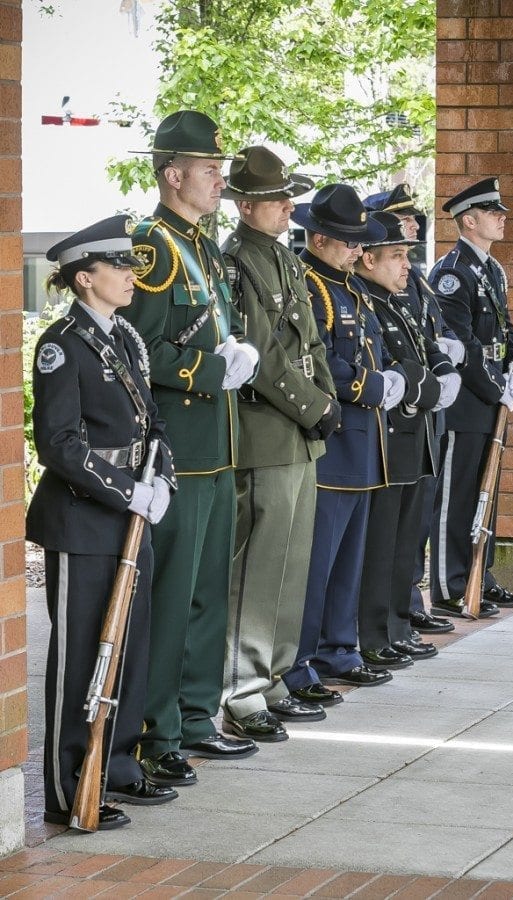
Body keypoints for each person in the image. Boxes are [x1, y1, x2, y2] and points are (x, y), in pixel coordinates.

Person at [26, 214, 179, 830]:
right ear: (85, 278)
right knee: (82, 657)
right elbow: (58, 444)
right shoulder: (63, 344)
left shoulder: (126, 340)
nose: (130, 277)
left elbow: (151, 426)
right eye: (119, 267)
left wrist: (161, 477)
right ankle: (69, 789)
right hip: (84, 520)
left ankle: (114, 766)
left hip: (129, 516)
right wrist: (126, 492)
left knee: (128, 652)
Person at [121, 110, 260, 784]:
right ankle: (157, 731)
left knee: (210, 591)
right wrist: (210, 370)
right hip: (180, 448)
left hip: (219, 444)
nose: (219, 181)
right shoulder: (152, 247)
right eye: (211, 170)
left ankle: (199, 718)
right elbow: (138, 348)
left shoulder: (203, 247)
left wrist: (233, 358)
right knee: (174, 596)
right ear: (174, 174)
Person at [219, 146, 341, 742]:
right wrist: (313, 405)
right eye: (277, 199)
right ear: (247, 205)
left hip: (298, 432)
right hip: (265, 430)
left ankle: (274, 676)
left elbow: (309, 340)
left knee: (292, 562)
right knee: (260, 566)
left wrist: (326, 397)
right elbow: (261, 355)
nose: (289, 207)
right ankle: (241, 691)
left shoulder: (284, 258)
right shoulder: (240, 260)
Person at [282, 184, 410, 695]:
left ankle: (340, 647)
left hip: (363, 445)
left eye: (361, 241)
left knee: (347, 561)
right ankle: (301, 661)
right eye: (348, 240)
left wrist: (395, 379)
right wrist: (373, 386)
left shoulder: (348, 286)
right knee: (317, 565)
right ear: (318, 238)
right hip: (335, 443)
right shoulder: (311, 286)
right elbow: (319, 361)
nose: (359, 249)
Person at [355, 211, 462, 667]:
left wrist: (442, 369)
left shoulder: (399, 298)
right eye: (396, 255)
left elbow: (426, 346)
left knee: (405, 543)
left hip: (415, 437)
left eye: (406, 255)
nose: (406, 265)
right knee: (381, 545)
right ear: (367, 258)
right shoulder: (368, 300)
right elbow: (396, 367)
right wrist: (431, 385)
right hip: (389, 436)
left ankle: (398, 624)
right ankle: (374, 635)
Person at [428, 177, 513, 618]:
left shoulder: (491, 269)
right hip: (465, 404)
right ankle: (452, 585)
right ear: (468, 220)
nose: (502, 218)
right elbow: (462, 345)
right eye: (493, 213)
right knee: (458, 496)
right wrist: (494, 386)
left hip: (490, 398)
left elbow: (505, 330)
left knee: (485, 495)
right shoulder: (452, 273)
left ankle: (479, 576)